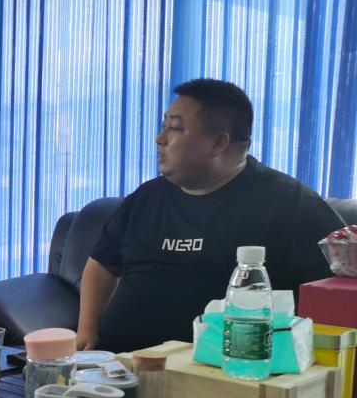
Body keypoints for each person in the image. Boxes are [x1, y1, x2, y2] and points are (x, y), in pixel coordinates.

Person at [77, 78, 343, 354]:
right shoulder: (145, 198)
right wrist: (86, 330)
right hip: (116, 365)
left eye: (175, 128)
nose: (160, 139)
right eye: (163, 126)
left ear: (218, 143)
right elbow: (101, 264)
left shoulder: (291, 206)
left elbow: (338, 295)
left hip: (223, 371)